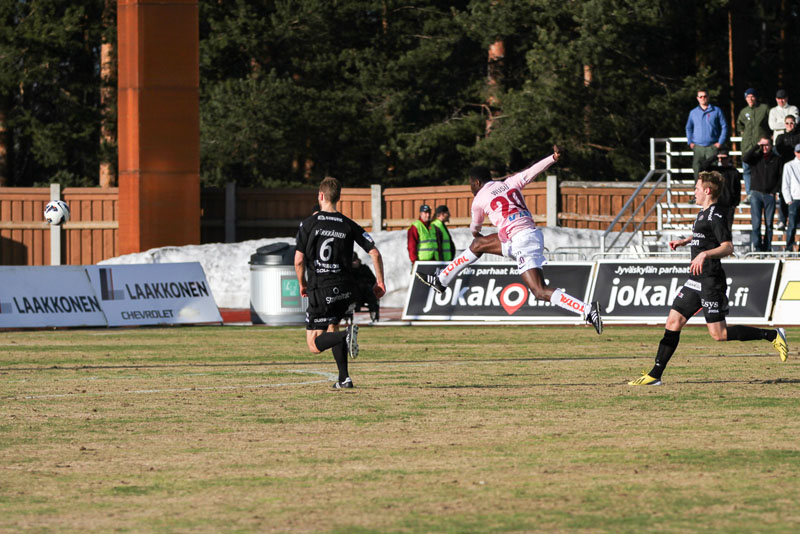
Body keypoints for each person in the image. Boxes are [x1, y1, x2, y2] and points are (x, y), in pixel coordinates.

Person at [415, 145, 603, 334]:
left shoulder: (479, 199)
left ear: (477, 182)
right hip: (525, 235)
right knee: (478, 245)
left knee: (539, 291)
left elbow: (475, 226)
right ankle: (441, 280)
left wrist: (476, 233)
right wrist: (553, 158)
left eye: (471, 184)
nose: (471, 188)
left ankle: (587, 309)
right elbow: (533, 171)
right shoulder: (510, 183)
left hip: (522, 241)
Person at [629, 171, 788, 386]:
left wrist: (704, 254)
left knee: (719, 334)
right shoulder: (703, 214)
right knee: (673, 321)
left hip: (711, 280)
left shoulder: (716, 215)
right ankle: (655, 374)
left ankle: (772, 335)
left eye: (696, 188)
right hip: (695, 279)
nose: (693, 192)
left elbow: (727, 246)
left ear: (707, 190)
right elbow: (704, 236)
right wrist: (686, 241)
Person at [294, 176, 386, 390]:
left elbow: (298, 260)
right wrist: (379, 282)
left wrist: (302, 283)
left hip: (320, 288)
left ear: (321, 196)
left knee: (314, 345)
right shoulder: (348, 224)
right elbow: (374, 252)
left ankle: (346, 335)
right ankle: (344, 378)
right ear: (338, 197)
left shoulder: (309, 224)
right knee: (332, 327)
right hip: (344, 290)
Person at [743, 137, 782, 251]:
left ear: (771, 146)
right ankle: (758, 248)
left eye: (767, 145)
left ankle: (767, 247)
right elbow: (745, 159)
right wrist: (756, 146)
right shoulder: (756, 158)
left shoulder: (777, 159)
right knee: (756, 224)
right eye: (762, 145)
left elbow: (780, 177)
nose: (764, 148)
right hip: (756, 194)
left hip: (769, 195)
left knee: (769, 225)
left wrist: (774, 191)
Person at [736, 88, 770, 203]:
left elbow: (770, 123)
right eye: (747, 97)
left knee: (761, 170)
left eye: (752, 96)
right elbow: (739, 125)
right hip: (747, 147)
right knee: (747, 171)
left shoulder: (764, 108)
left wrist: (768, 137)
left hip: (760, 146)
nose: (750, 99)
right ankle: (750, 194)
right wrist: (742, 132)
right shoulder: (744, 111)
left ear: (756, 97)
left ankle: (763, 193)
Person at [685, 89, 728, 178]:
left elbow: (724, 126)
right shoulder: (693, 113)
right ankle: (698, 191)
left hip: (712, 147)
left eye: (705, 96)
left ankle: (713, 191)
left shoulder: (717, 111)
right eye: (700, 96)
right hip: (698, 148)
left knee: (713, 173)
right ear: (697, 98)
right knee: (697, 171)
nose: (703, 98)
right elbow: (688, 127)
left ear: (708, 97)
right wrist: (690, 141)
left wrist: (720, 142)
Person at [699, 146, 741, 232]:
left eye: (724, 158)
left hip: (728, 206)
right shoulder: (714, 171)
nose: (722, 160)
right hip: (715, 205)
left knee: (727, 231)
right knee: (714, 230)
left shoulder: (734, 172)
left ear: (728, 159)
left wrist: (734, 204)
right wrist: (715, 157)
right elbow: (702, 167)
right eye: (720, 158)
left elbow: (737, 189)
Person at [774, 115, 800, 232]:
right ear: (784, 125)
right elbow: (778, 151)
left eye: (792, 123)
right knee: (783, 194)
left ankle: (797, 221)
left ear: (795, 124)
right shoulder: (780, 137)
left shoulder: (799, 136)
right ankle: (782, 220)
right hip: (783, 168)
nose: (789, 125)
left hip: (796, 167)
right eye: (787, 123)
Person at [351, 252, 380, 322]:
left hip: (367, 293)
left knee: (369, 289)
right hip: (355, 294)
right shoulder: (349, 270)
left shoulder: (364, 268)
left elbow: (373, 280)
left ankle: (373, 309)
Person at [782, 144, 800, 252]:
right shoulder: (789, 165)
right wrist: (789, 200)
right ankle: (789, 248)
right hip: (794, 199)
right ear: (795, 152)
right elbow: (786, 184)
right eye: (798, 152)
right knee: (792, 225)